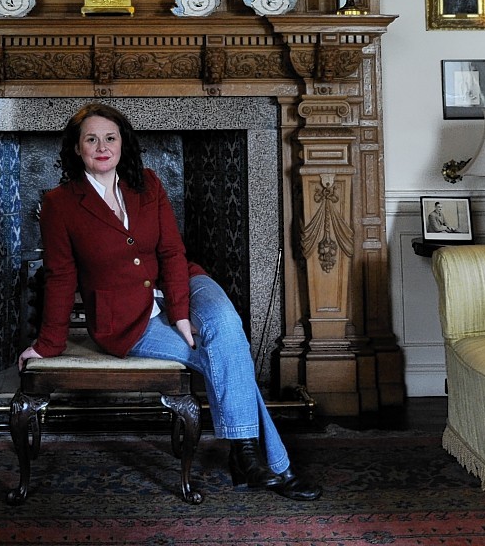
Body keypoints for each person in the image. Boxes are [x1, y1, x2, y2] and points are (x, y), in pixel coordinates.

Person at [17, 103, 321, 501]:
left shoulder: (148, 183)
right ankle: (264, 462)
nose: (102, 146)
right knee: (226, 353)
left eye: (111, 138)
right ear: (76, 149)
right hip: (126, 319)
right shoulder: (59, 204)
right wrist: (47, 344)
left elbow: (172, 251)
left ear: (123, 143)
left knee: (226, 328)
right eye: (91, 139)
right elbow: (60, 276)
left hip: (185, 283)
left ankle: (248, 455)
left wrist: (180, 312)